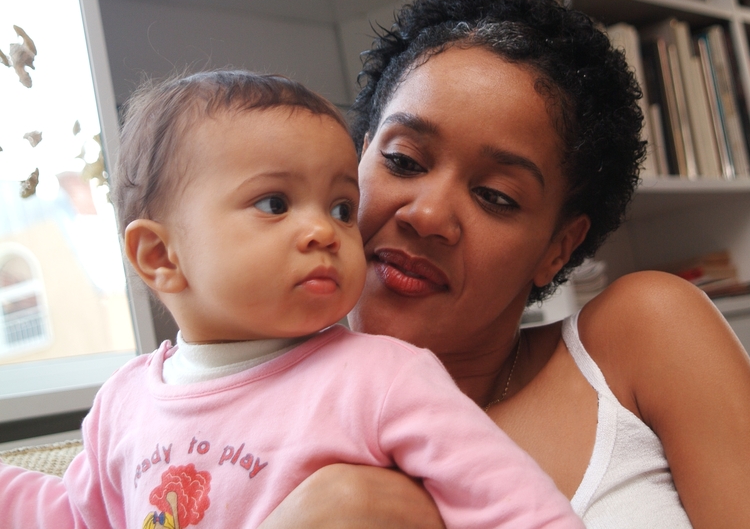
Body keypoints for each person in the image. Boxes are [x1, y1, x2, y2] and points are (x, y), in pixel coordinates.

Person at [260, 0, 750, 528]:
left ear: (558, 249)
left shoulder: (638, 341)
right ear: (355, 164)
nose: (428, 215)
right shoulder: (232, 423)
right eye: (405, 161)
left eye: (495, 196)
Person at [0, 71, 585, 529]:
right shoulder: (122, 405)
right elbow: (71, 518)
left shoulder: (385, 378)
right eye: (275, 204)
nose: (324, 232)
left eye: (340, 208)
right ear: (160, 256)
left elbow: (515, 507)